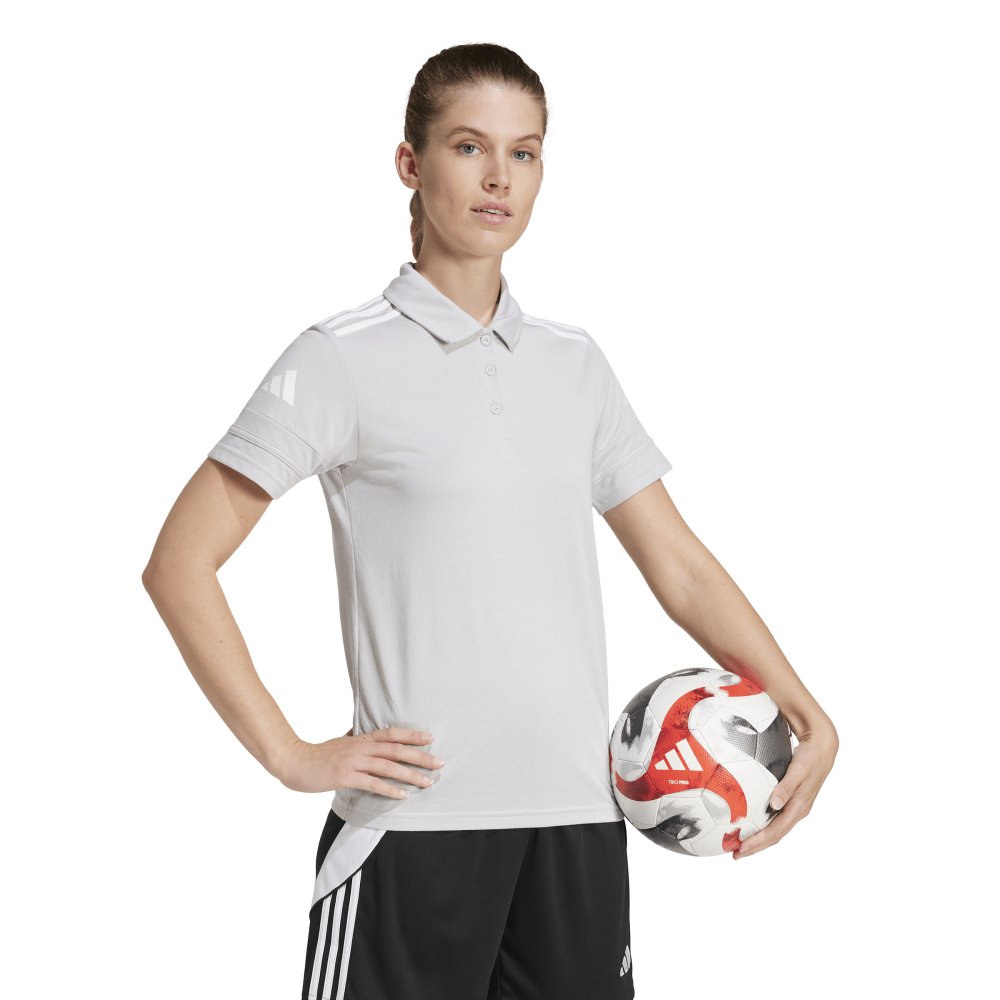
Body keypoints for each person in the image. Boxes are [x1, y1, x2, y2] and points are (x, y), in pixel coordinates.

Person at [142, 42, 838, 1000]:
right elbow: (179, 563)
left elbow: (678, 565)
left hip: (578, 823)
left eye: (525, 152)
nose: (499, 177)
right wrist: (288, 753)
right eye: (470, 147)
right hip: (413, 832)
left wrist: (802, 706)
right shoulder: (339, 358)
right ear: (411, 163)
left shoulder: (574, 363)